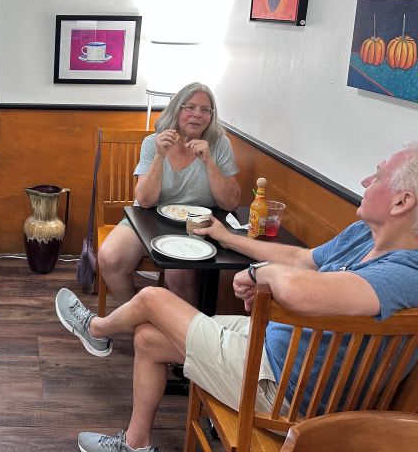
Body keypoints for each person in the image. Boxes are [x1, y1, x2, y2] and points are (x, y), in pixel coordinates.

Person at [56, 144, 418, 452]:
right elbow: (300, 259)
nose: (365, 182)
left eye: (377, 177)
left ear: (402, 201)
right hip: (273, 350)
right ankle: (136, 444)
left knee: (153, 298)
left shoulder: (406, 273)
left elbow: (296, 289)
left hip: (288, 397)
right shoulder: (363, 235)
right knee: (148, 337)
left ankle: (97, 329)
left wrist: (259, 273)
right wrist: (227, 238)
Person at [98, 82, 241, 306]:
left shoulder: (220, 144)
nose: (197, 114)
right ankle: (137, 315)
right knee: (110, 257)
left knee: (180, 274)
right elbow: (145, 200)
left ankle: (179, 325)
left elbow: (231, 203)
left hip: (196, 225)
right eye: (190, 107)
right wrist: (160, 156)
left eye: (205, 110)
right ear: (176, 109)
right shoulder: (152, 143)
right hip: (148, 218)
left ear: (211, 116)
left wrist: (209, 162)